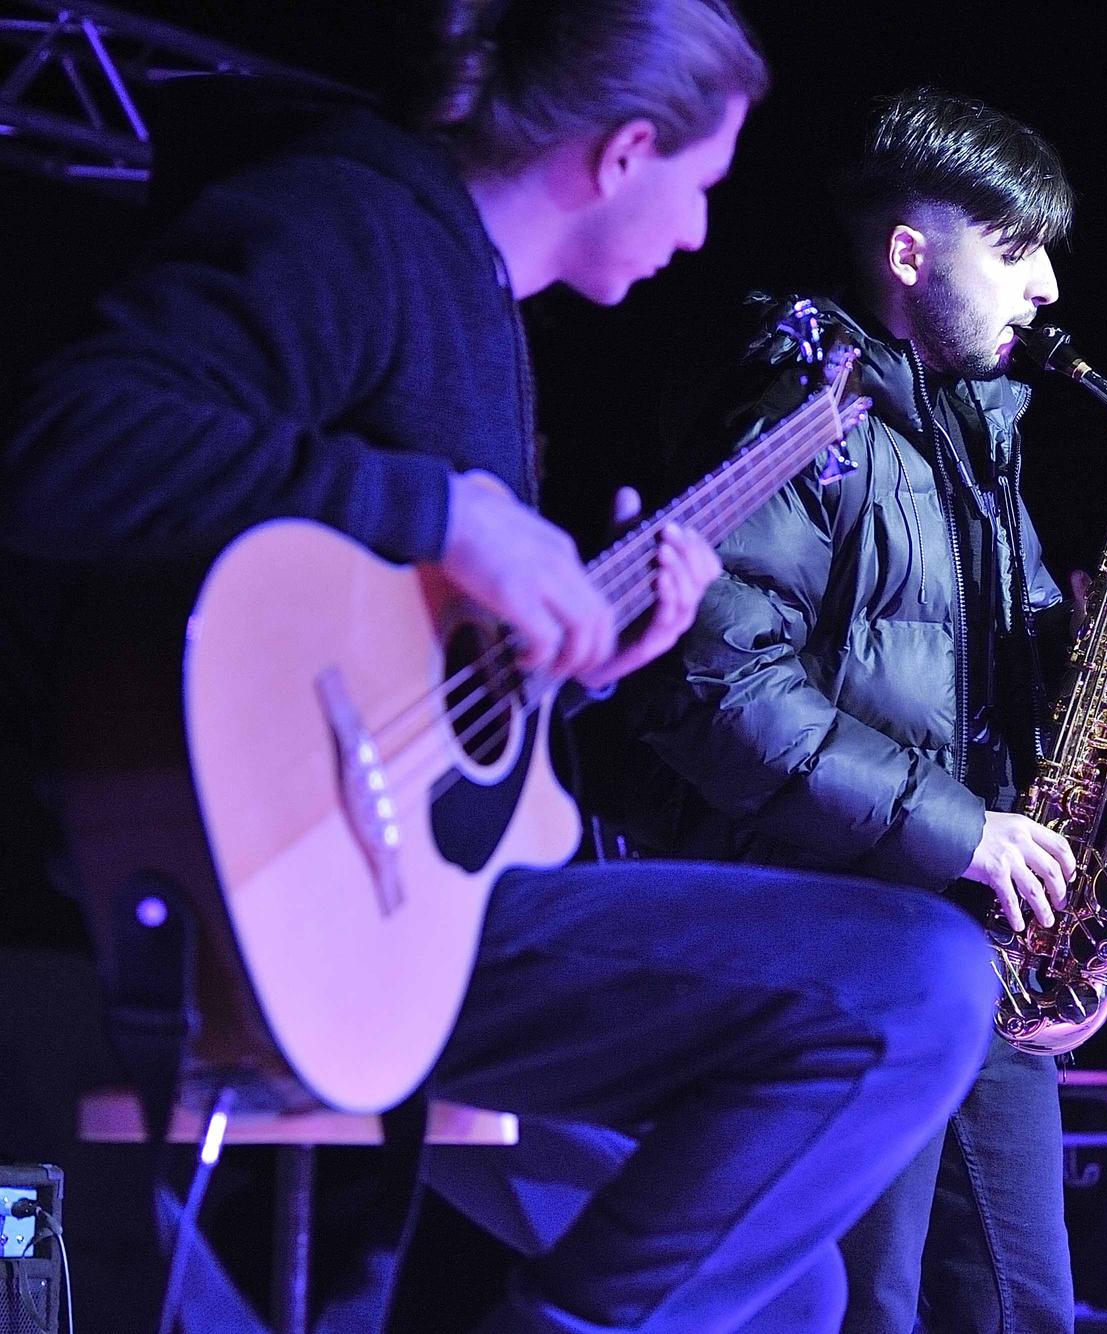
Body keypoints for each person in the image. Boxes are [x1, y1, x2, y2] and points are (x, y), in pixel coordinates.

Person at [0, 5, 998, 1331]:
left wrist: (579, 664)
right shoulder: (351, 222)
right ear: (623, 153)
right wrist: (445, 513)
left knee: (787, 1288)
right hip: (258, 895)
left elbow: (410, 694)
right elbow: (65, 446)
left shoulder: (473, 300)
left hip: (405, 907)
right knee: (920, 979)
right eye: (700, 187)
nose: (700, 232)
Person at [623, 87, 1107, 1332]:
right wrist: (961, 831)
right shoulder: (797, 408)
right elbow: (714, 687)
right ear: (909, 252)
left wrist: (1099, 657)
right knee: (864, 1305)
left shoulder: (975, 433)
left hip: (966, 940)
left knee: (1027, 1307)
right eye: (1017, 249)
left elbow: (1004, 681)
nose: (1045, 292)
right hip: (837, 931)